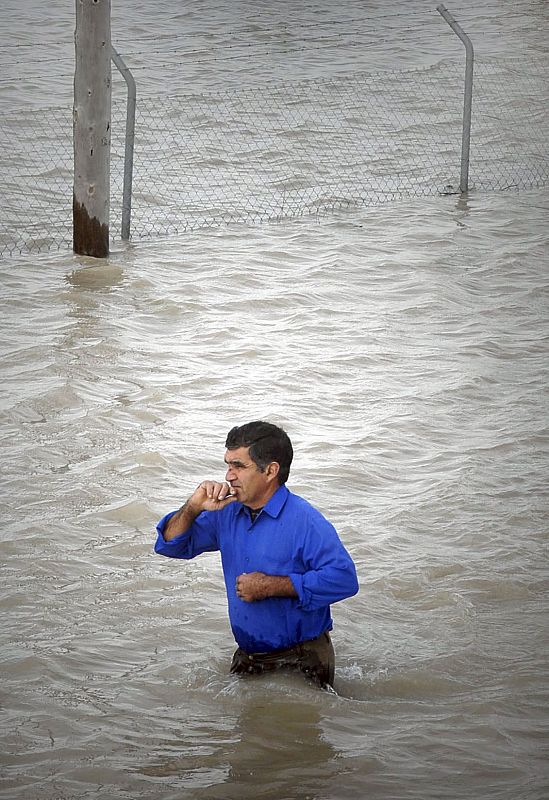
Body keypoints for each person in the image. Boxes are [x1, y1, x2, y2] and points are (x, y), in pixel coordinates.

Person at [154, 420, 359, 689]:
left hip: (301, 659)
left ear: (270, 470)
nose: (228, 476)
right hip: (248, 655)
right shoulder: (226, 512)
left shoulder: (306, 521)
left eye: (239, 466)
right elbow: (171, 545)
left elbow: (344, 579)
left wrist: (271, 586)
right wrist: (193, 507)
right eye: (228, 465)